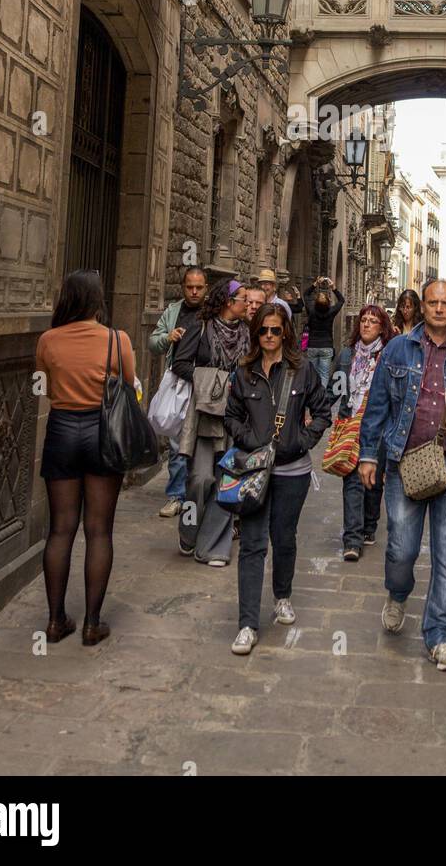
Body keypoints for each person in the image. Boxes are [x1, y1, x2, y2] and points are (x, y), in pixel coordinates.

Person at [359, 279, 446, 673]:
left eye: (445, 303)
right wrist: (369, 455)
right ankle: (398, 593)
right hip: (404, 463)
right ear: (423, 306)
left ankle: (439, 637)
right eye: (431, 302)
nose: (438, 308)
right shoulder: (398, 349)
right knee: (401, 548)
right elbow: (378, 404)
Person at [226, 304, 331, 654]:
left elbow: (323, 412)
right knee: (253, 543)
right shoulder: (243, 372)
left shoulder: (302, 370)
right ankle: (246, 623)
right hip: (255, 472)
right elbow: (231, 416)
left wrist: (301, 442)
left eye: (275, 330)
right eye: (263, 331)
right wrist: (250, 442)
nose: (269, 336)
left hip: (292, 472)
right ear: (255, 334)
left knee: (283, 538)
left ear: (285, 331)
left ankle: (282, 596)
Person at [36, 270, 134, 646]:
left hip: (61, 430)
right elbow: (128, 383)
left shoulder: (48, 340)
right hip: (101, 433)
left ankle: (55, 620)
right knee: (99, 530)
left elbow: (42, 385)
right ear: (97, 300)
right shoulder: (116, 339)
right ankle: (93, 623)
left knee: (60, 528)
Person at [174, 278, 250, 564]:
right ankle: (189, 530)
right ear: (229, 302)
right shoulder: (201, 327)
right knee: (200, 479)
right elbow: (180, 364)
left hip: (235, 415)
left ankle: (214, 547)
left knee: (226, 482)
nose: (248, 304)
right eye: (243, 298)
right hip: (206, 414)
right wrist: (216, 381)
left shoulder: (246, 334)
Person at [333, 305, 394, 560]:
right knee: (353, 479)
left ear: (382, 327)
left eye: (373, 321)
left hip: (378, 425)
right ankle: (352, 539)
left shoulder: (388, 355)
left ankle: (370, 524)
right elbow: (335, 388)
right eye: (363, 320)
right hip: (350, 423)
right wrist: (326, 414)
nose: (366, 325)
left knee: (373, 479)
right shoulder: (346, 356)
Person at [149, 265, 208, 517]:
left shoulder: (212, 313)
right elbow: (153, 342)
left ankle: (197, 494)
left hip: (205, 385)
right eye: (189, 287)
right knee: (176, 440)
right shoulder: (173, 311)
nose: (194, 292)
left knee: (202, 440)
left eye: (199, 287)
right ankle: (175, 495)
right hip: (178, 382)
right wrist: (168, 337)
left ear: (206, 288)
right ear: (183, 287)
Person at [302, 275, 345, 386]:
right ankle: (321, 398)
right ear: (328, 302)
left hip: (312, 346)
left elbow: (306, 295)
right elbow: (341, 301)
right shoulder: (331, 312)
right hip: (326, 346)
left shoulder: (311, 310)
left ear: (316, 302)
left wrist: (315, 284)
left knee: (312, 374)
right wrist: (333, 287)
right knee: (324, 374)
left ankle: (313, 398)